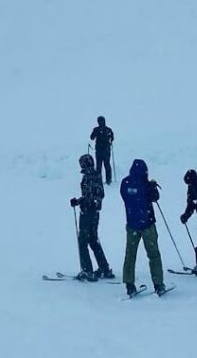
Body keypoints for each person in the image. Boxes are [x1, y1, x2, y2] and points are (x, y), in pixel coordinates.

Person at [119, 159, 166, 295]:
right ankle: (158, 284)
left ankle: (129, 284)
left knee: (130, 255)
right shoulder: (146, 185)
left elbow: (124, 196)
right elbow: (155, 198)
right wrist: (152, 186)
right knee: (153, 255)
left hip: (132, 224)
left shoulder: (125, 183)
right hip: (147, 224)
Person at [69, 153, 114, 281]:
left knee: (83, 241)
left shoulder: (88, 177)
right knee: (93, 240)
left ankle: (87, 270)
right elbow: (99, 195)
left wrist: (79, 202)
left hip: (87, 213)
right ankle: (104, 267)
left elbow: (88, 197)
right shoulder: (97, 175)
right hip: (95, 212)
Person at [89, 116, 114, 185]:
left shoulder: (97, 129)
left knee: (99, 166)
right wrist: (110, 138)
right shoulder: (108, 129)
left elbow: (91, 137)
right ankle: (108, 180)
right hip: (105, 150)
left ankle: (99, 180)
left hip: (100, 150)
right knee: (106, 165)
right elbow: (112, 138)